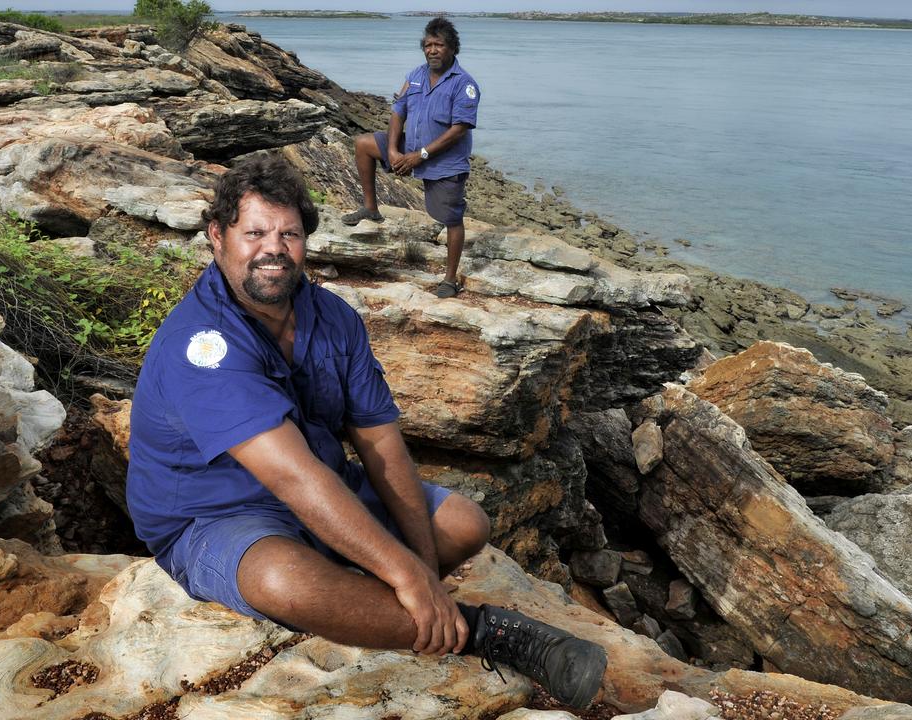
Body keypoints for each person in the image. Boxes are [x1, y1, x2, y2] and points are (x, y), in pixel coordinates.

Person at [126, 155, 607, 709]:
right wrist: (403, 571)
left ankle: (372, 605)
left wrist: (423, 569)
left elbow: (380, 443)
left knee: (462, 522)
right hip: (216, 515)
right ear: (217, 236)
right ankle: (487, 632)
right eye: (254, 232)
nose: (273, 248)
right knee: (285, 581)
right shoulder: (202, 344)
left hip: (325, 486)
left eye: (290, 233)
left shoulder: (332, 317)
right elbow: (295, 478)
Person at [342, 17, 479, 299]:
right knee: (364, 144)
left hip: (443, 160)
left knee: (451, 218)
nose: (432, 50)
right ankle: (371, 208)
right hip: (411, 146)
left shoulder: (464, 84)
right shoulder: (414, 75)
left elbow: (459, 128)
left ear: (452, 48)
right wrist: (393, 150)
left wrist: (421, 155)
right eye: (428, 45)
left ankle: (450, 278)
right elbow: (398, 112)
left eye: (439, 44)